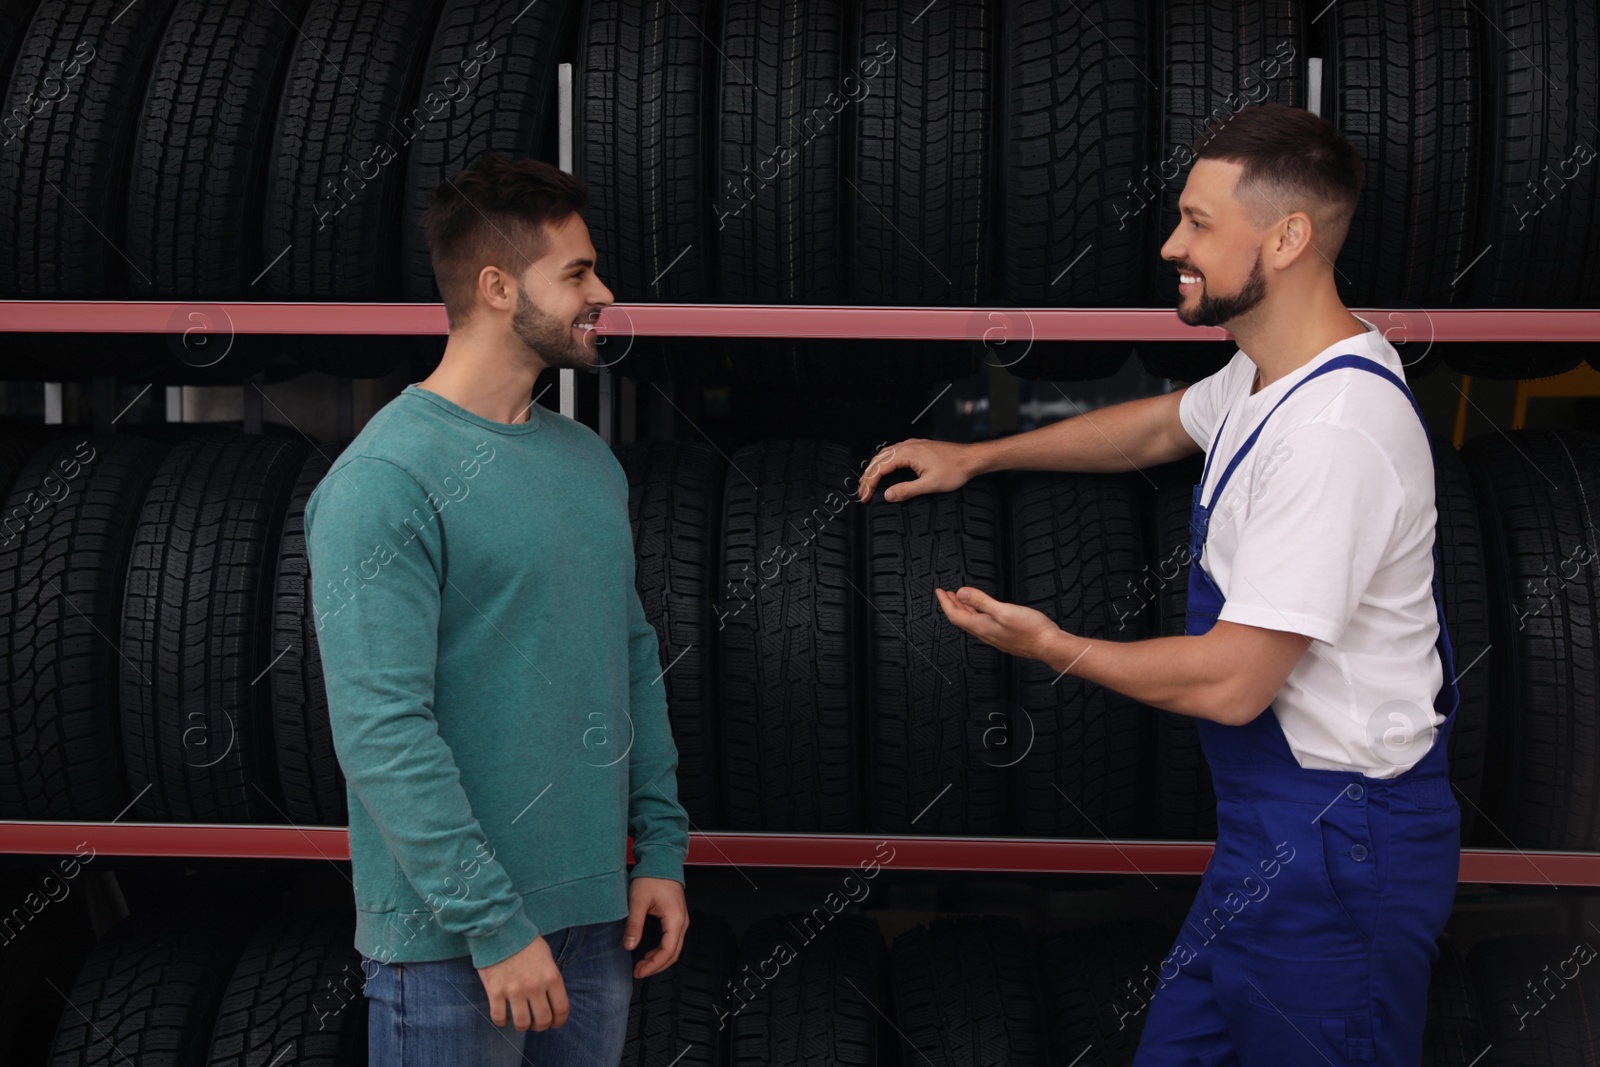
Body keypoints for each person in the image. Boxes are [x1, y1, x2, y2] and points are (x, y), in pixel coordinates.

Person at [857, 102, 1459, 1066]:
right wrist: (976, 457)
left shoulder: (1336, 431)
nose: (1172, 242)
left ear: (1289, 235)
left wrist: (1053, 648)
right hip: (1268, 847)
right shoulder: (1267, 376)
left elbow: (1234, 683)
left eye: (1199, 223)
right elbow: (1152, 426)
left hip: (1342, 856)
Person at [304, 150, 690, 1067]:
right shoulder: (383, 480)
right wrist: (494, 926)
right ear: (495, 288)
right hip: (452, 952)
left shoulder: (589, 462)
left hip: (595, 922)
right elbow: (381, 729)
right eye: (577, 272)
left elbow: (630, 660)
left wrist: (662, 850)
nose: (603, 290)